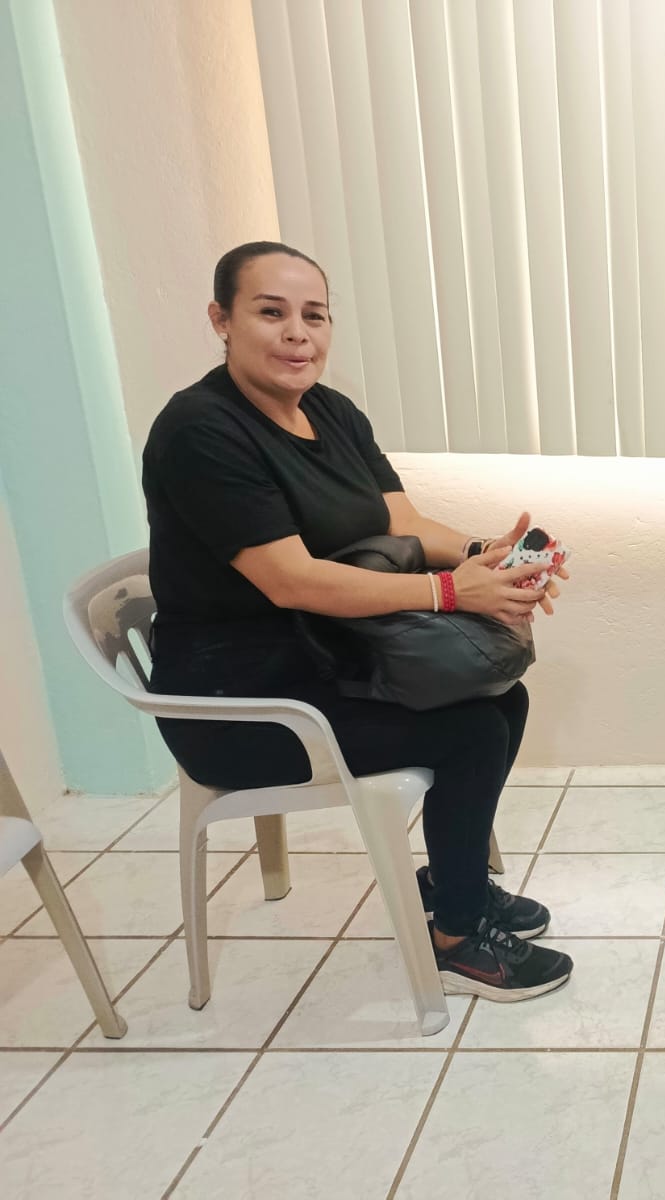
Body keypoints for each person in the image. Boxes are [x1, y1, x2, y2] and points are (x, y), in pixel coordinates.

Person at [143, 240, 573, 1002]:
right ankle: (457, 938)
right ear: (221, 319)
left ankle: (454, 883)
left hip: (325, 658)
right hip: (242, 704)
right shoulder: (200, 432)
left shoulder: (331, 412)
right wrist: (451, 593)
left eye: (314, 316)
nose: (297, 334)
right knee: (472, 731)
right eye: (271, 312)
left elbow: (403, 522)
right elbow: (293, 581)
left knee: (505, 698)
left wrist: (488, 556)